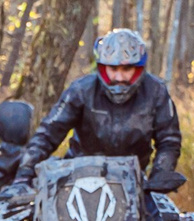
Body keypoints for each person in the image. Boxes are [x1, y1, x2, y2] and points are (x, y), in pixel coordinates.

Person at [20, 27, 184, 192]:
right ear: (103, 67)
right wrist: (24, 174)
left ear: (138, 68)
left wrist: (161, 173)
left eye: (126, 69)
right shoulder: (81, 90)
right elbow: (48, 133)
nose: (119, 78)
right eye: (113, 69)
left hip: (134, 186)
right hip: (77, 182)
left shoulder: (156, 92)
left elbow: (169, 140)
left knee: (165, 217)